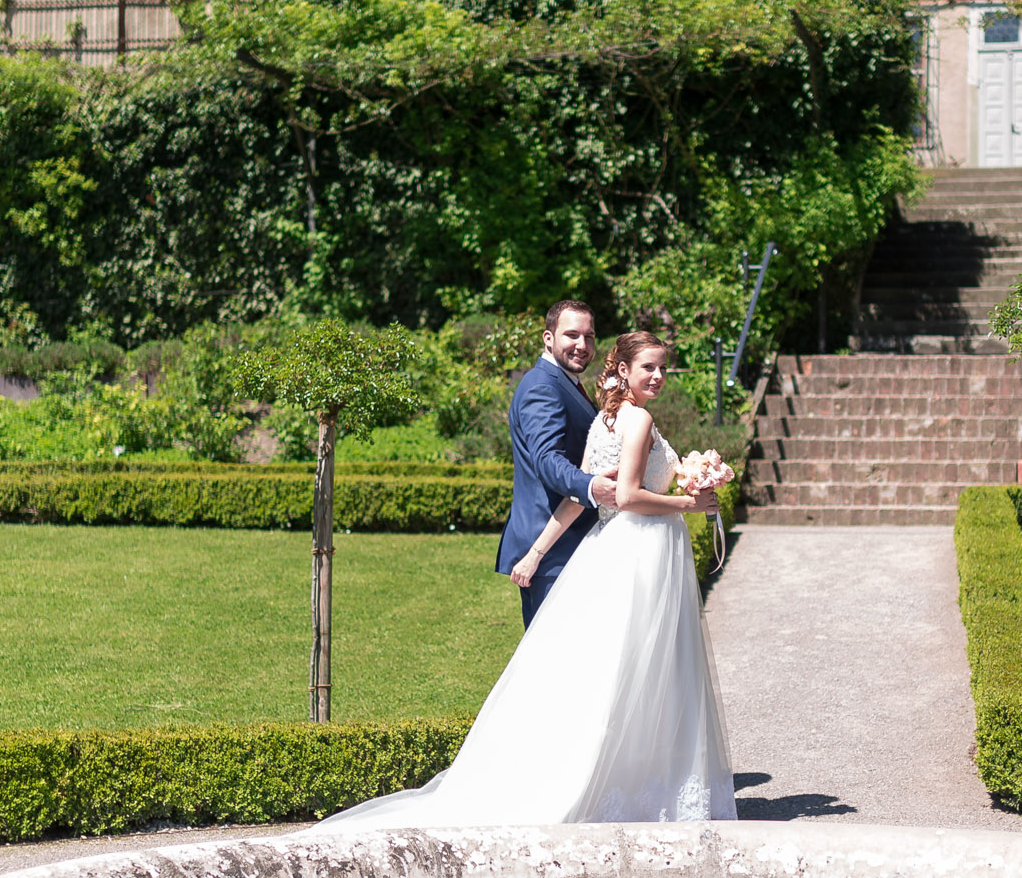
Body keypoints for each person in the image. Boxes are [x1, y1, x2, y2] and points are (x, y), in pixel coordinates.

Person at [308, 329, 733, 830]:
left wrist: (534, 553)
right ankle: (632, 786)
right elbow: (628, 495)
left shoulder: (606, 419)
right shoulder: (637, 418)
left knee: (615, 673)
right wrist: (689, 501)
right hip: (641, 552)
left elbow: (581, 497)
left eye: (664, 368)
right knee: (642, 670)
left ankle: (616, 782)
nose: (659, 376)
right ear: (623, 371)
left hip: (617, 550)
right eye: (649, 368)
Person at [499, 299, 617, 627]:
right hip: (551, 551)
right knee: (551, 667)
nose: (582, 345)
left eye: (589, 336)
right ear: (548, 338)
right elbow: (548, 460)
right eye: (572, 335)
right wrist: (591, 486)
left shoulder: (566, 384)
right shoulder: (542, 386)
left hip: (572, 544)